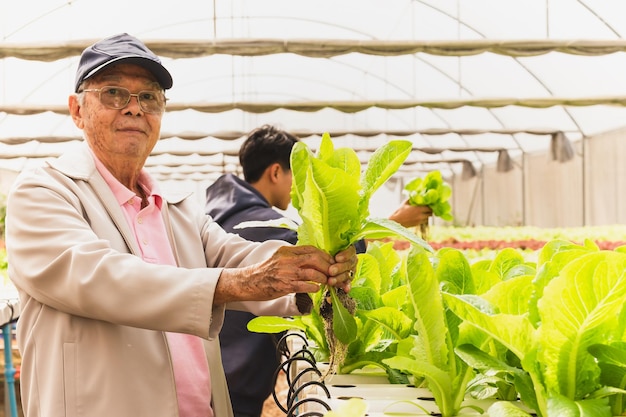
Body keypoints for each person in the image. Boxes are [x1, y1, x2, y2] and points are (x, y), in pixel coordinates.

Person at [4, 33, 357, 417]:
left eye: (149, 97)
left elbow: (236, 255)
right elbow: (98, 277)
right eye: (114, 93)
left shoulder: (175, 207)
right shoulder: (44, 191)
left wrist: (312, 270)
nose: (134, 108)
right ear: (77, 110)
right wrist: (235, 283)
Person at [205, 124, 433, 417]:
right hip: (237, 377)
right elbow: (320, 255)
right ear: (276, 172)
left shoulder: (215, 218)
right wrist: (396, 221)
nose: (297, 187)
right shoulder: (265, 226)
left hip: (210, 364)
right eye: (294, 175)